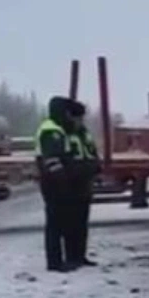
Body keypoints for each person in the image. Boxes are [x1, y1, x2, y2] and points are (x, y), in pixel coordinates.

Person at [36, 97, 79, 272]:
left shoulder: (55, 129)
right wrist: (63, 180)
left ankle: (59, 260)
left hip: (54, 181)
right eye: (67, 112)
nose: (69, 116)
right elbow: (52, 160)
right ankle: (55, 262)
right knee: (55, 223)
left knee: (59, 221)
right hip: (54, 183)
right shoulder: (51, 131)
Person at [66, 101, 101, 267]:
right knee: (71, 222)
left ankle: (80, 256)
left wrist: (95, 167)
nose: (81, 121)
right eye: (78, 117)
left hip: (85, 180)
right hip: (72, 181)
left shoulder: (83, 133)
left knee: (82, 222)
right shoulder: (66, 133)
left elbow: (92, 151)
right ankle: (72, 257)